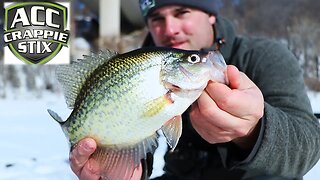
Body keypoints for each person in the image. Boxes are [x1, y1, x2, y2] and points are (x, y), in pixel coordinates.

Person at [68, 0, 320, 179]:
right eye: (157, 18)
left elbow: (308, 144)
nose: (170, 29)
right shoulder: (134, 68)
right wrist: (126, 169)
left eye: (182, 12)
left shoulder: (264, 56)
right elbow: (139, 131)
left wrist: (253, 131)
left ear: (211, 14)